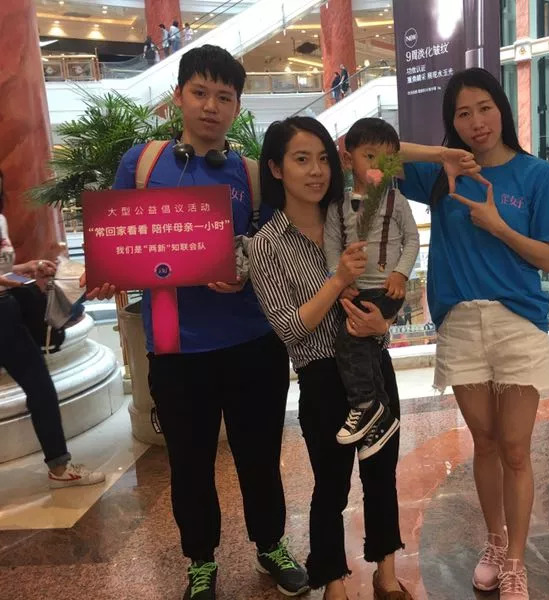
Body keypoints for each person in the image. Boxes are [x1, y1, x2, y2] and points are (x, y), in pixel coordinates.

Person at [81, 46, 308, 600]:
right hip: (176, 347)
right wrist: (108, 273)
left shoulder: (251, 174)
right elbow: (120, 239)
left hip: (252, 342)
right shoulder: (141, 164)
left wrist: (246, 273)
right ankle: (201, 561)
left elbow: (270, 248)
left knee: (259, 456)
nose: (211, 106)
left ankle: (271, 544)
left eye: (224, 97)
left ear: (237, 107)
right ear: (177, 96)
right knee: (189, 464)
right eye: (200, 93)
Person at [397, 68, 549, 599]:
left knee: (515, 448)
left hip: (517, 324)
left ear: (503, 109)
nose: (476, 122)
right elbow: (363, 153)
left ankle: (515, 559)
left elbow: (548, 258)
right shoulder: (441, 175)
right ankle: (494, 541)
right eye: (463, 114)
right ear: (451, 123)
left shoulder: (539, 175)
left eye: (485, 108)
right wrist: (440, 155)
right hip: (461, 325)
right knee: (486, 442)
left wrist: (498, 226)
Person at [248, 116, 412, 600]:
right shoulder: (266, 245)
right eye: (301, 159)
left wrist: (385, 325)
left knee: (382, 475)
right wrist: (337, 279)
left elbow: (388, 282)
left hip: (373, 363)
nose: (316, 171)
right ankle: (332, 581)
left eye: (322, 158)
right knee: (331, 486)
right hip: (320, 376)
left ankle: (386, 573)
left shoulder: (354, 211)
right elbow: (289, 328)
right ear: (276, 168)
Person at [0, 170, 105, 489]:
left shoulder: (0, 220)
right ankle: (59, 466)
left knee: (40, 386)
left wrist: (28, 268)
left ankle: (59, 466)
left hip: (6, 313)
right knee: (39, 385)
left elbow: (4, 270)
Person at [323, 118, 420, 457]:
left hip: (387, 290)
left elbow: (412, 240)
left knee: (350, 341)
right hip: (355, 291)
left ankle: (366, 404)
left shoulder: (396, 200)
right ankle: (382, 418)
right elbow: (332, 248)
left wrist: (401, 275)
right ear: (348, 159)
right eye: (369, 156)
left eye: (387, 159)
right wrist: (339, 283)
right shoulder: (337, 207)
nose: (378, 165)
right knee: (365, 350)